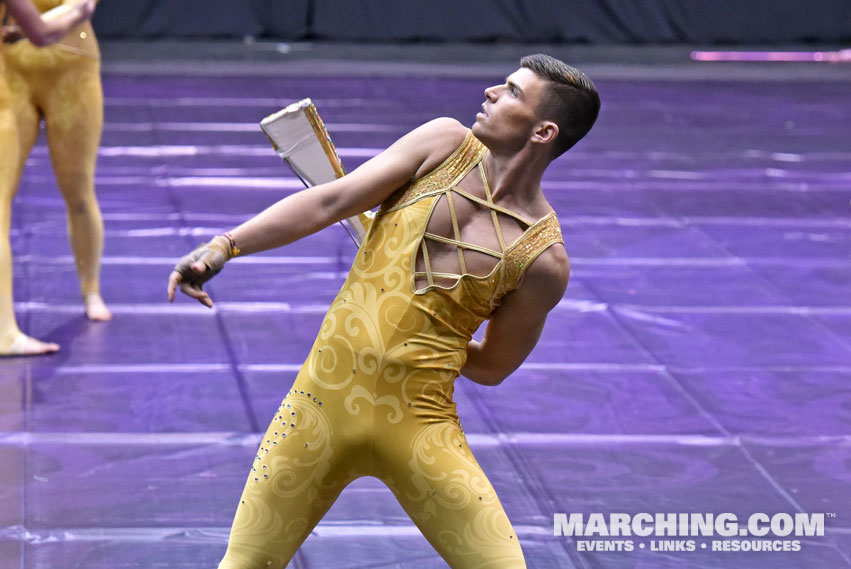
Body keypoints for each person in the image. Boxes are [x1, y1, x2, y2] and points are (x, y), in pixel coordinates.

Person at [169, 54, 600, 569]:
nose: (489, 92)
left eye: (510, 92)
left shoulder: (543, 259)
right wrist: (224, 246)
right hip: (316, 410)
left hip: (421, 429)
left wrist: (430, 344)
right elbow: (331, 202)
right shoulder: (443, 143)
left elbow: (494, 367)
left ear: (543, 131)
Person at [0, 0, 103, 357]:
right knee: (2, 200)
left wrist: (33, 25)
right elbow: (48, 26)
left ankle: (90, 288)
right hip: (13, 72)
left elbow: (81, 6)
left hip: (72, 71)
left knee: (78, 191)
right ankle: (4, 328)